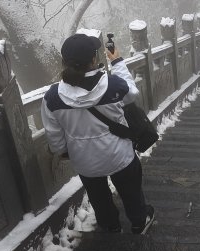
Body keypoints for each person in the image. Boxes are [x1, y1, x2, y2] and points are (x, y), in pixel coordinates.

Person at [42, 33, 155, 234]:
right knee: (131, 191)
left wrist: (63, 151)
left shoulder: (52, 97)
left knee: (98, 196)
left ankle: (110, 225)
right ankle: (139, 221)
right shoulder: (113, 85)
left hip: (85, 160)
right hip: (119, 155)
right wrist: (117, 61)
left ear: (64, 62)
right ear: (94, 59)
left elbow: (54, 135)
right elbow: (132, 94)